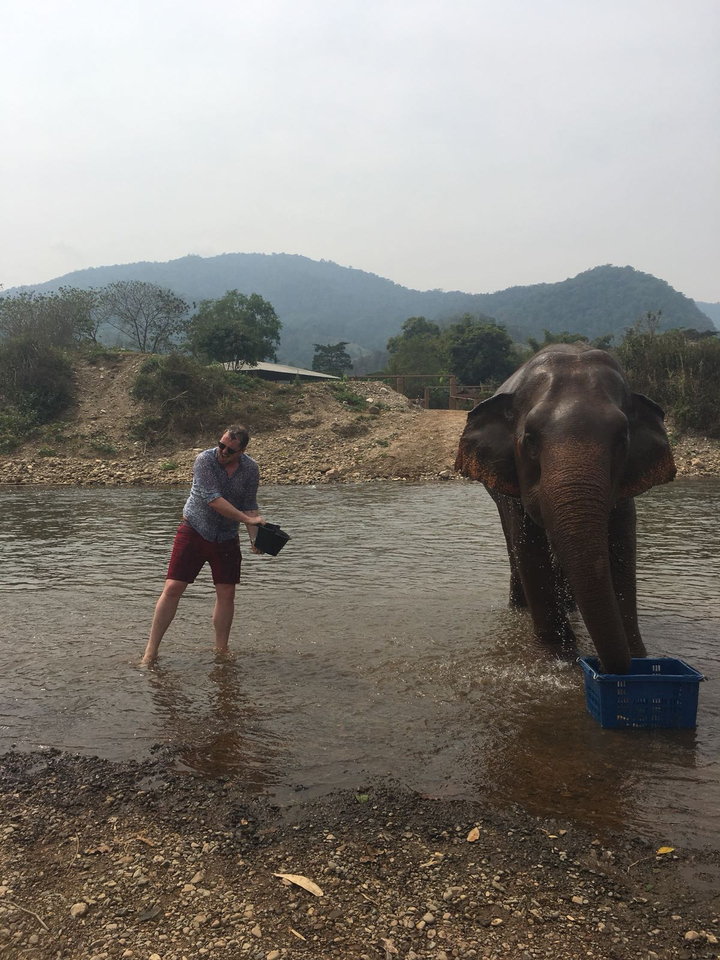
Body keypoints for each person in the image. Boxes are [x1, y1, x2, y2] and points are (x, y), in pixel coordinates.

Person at [142, 425, 265, 664]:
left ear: (242, 451)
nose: (222, 452)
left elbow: (249, 504)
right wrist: (249, 520)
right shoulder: (204, 460)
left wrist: (255, 537)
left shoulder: (250, 469)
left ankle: (221, 651)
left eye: (230, 449)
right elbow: (213, 500)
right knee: (173, 588)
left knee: (227, 593)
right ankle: (151, 651)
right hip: (194, 529)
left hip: (227, 535)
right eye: (221, 445)